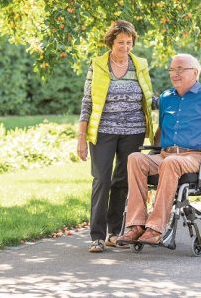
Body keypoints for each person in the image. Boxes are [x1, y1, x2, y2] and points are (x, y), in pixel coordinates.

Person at [117, 53, 201, 245]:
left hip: (198, 157)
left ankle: (155, 228)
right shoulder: (166, 98)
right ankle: (136, 225)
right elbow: (162, 129)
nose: (174, 73)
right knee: (135, 158)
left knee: (171, 162)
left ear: (195, 72)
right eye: (172, 69)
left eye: (180, 69)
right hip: (166, 155)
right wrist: (153, 151)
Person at [77, 20, 156, 253]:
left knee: (122, 181)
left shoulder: (139, 64)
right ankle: (97, 236)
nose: (125, 47)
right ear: (111, 41)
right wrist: (81, 136)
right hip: (103, 131)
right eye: (120, 42)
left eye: (129, 42)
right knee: (101, 179)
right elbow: (87, 102)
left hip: (133, 131)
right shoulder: (98, 65)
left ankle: (114, 232)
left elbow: (149, 96)